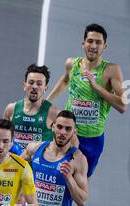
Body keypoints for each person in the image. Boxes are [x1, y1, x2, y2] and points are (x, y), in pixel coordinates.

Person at [0, 64, 59, 206]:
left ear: (45, 88)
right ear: (25, 85)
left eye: (39, 83)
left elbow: (64, 141)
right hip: (13, 177)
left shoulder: (52, 113)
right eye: (31, 82)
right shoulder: (11, 109)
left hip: (36, 181)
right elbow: (1, 137)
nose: (34, 87)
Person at [48, 23, 127, 177]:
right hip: (68, 132)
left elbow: (122, 105)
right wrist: (48, 100)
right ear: (83, 43)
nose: (93, 46)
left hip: (93, 139)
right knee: (57, 174)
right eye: (90, 41)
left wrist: (96, 86)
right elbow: (65, 80)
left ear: (105, 46)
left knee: (81, 180)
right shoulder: (72, 64)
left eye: (98, 42)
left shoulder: (111, 70)